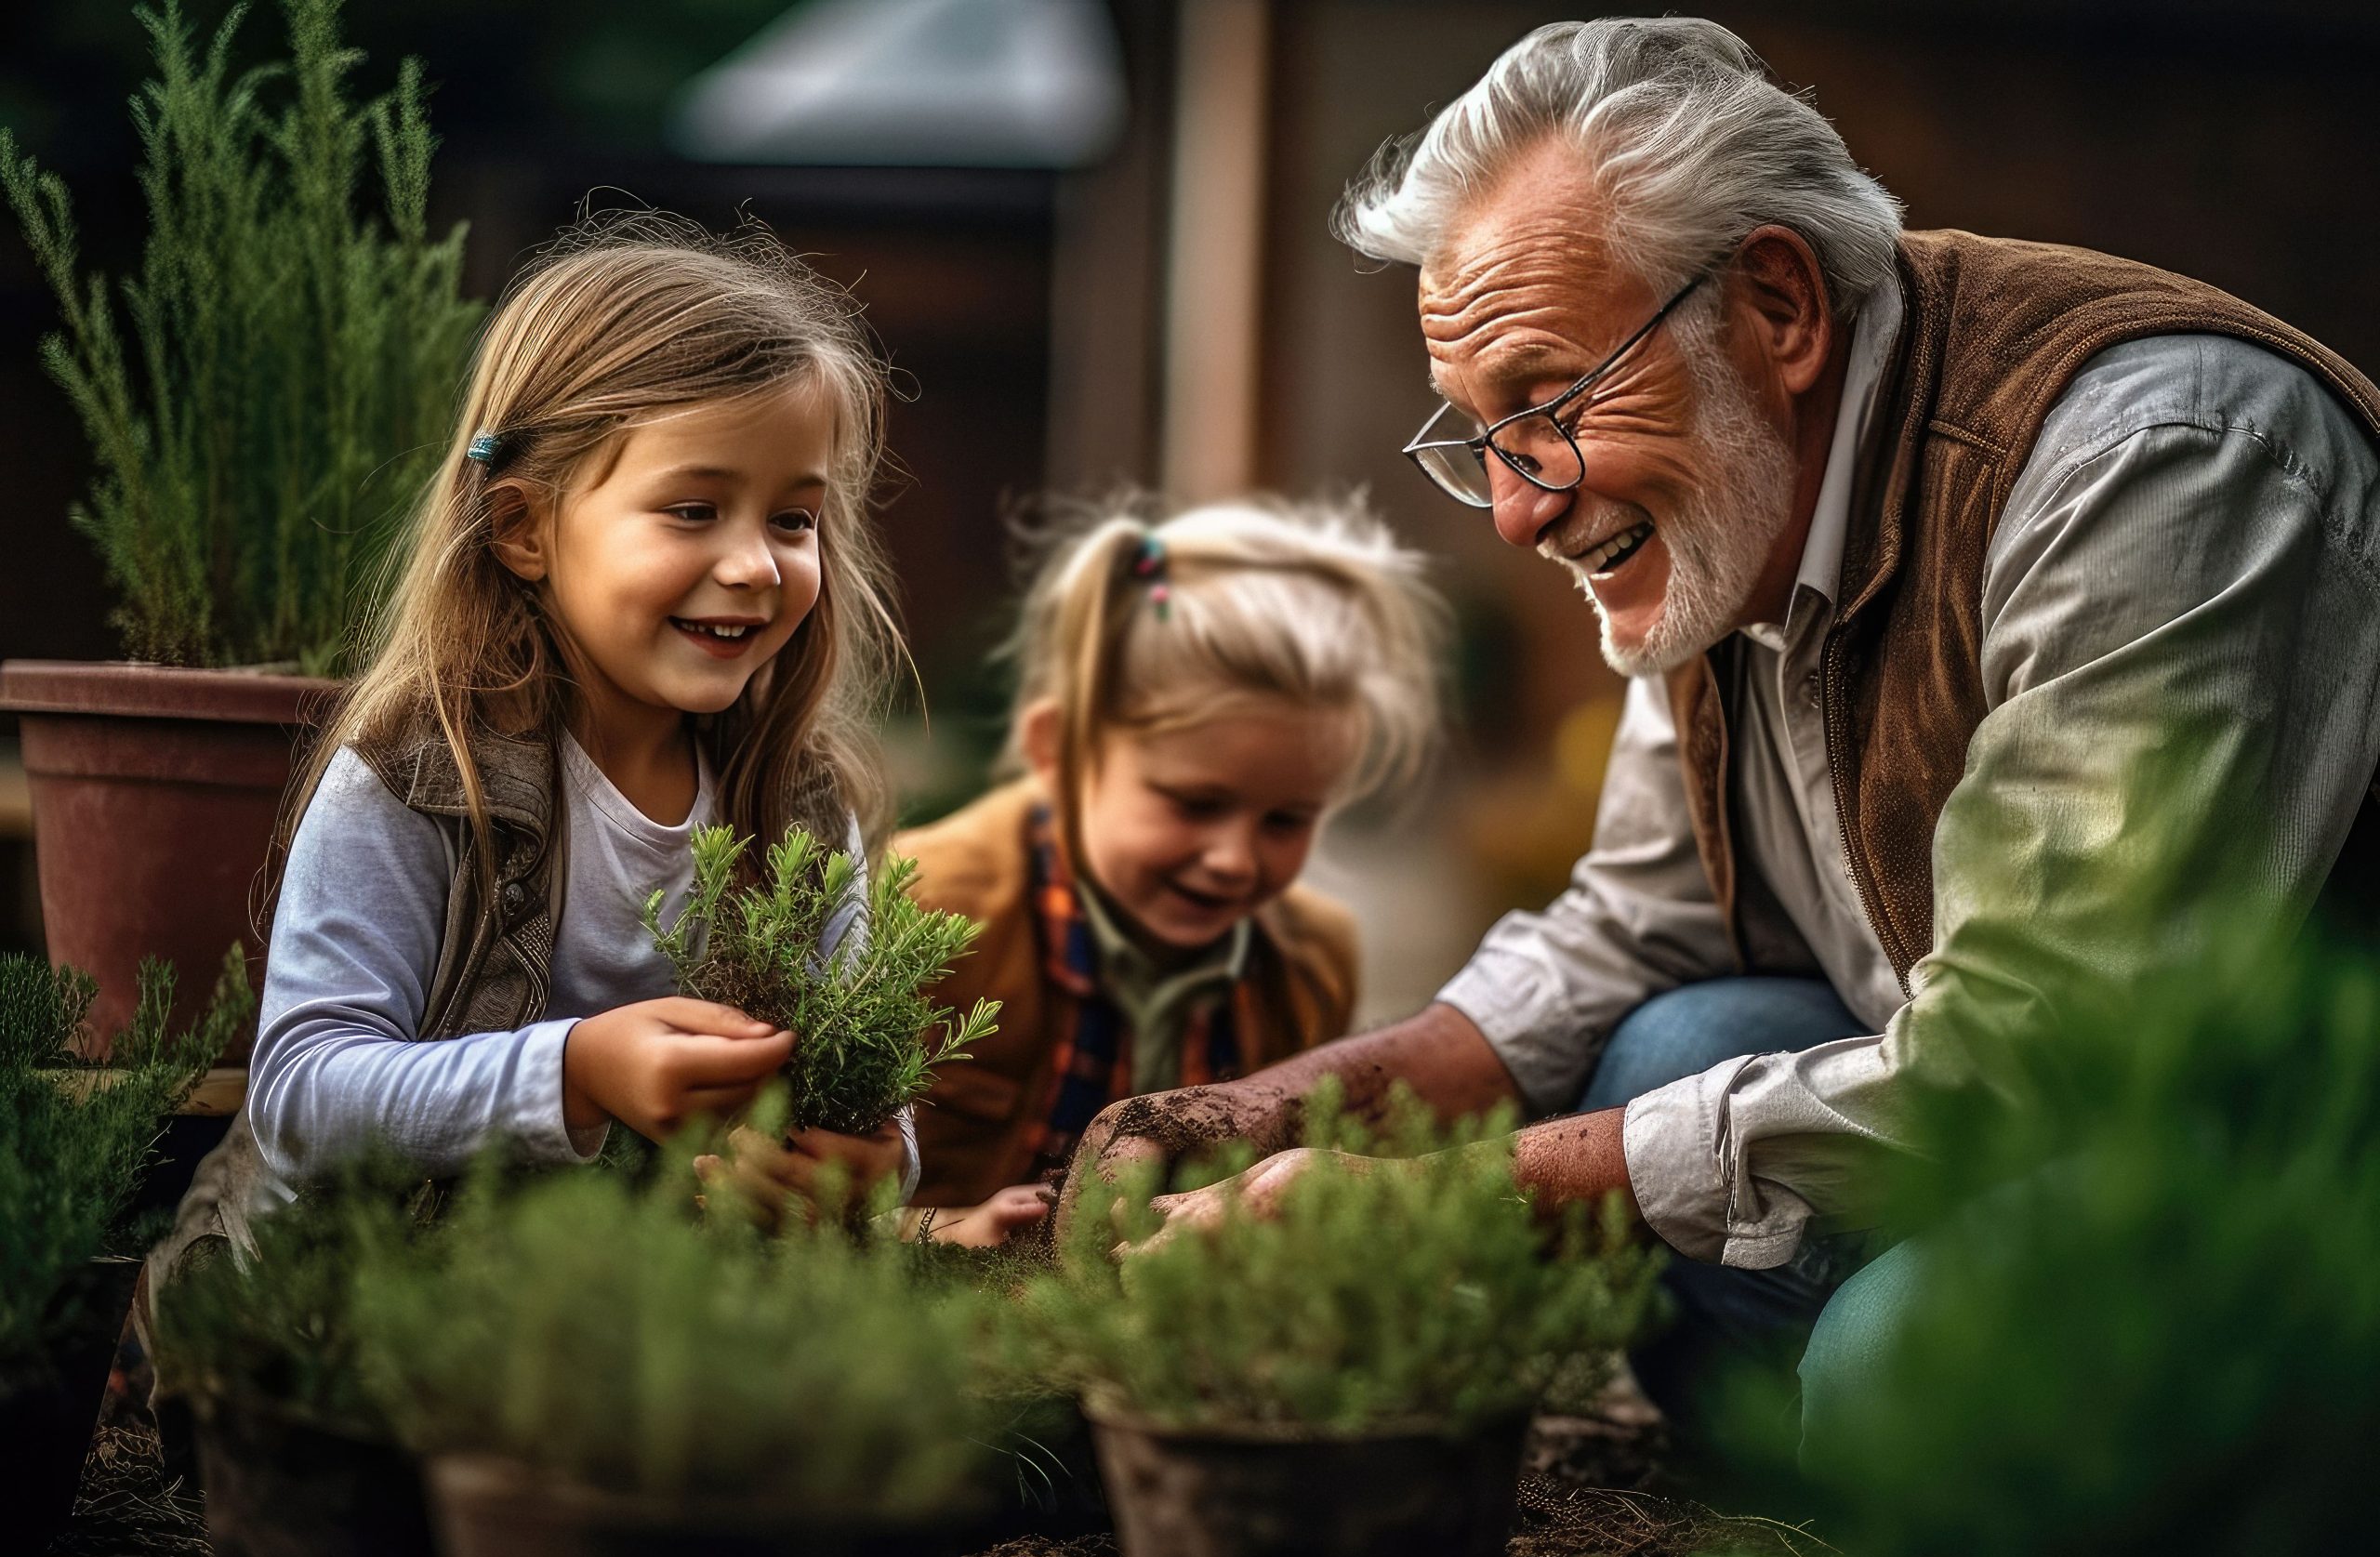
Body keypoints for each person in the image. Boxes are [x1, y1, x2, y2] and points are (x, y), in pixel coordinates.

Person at [1063, 18, 2380, 1448]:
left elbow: (2038, 1053)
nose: (1519, 509)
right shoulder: (1733, 503)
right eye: (1478, 436)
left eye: (1546, 399)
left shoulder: (2152, 467)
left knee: (1897, 1361)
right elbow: (1629, 928)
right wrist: (1255, 1116)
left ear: (1778, 307)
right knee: (1668, 1044)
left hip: (2281, 1157)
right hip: (2024, 1136)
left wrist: (1437, 1194)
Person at [151, 214, 919, 1288]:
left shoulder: (794, 798)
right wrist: (580, 1071)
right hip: (335, 1303)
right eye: (693, 509)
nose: (756, 565)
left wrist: (863, 1161)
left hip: (621, 1312)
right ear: (524, 529)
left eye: (794, 520)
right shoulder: (420, 771)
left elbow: (856, 1086)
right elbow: (302, 1094)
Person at [894, 497, 1446, 1247]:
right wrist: (937, 1231)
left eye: (1285, 820)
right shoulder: (927, 911)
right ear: (1059, 752)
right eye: (1195, 804)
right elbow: (799, 1197)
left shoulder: (1308, 964)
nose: (1235, 859)